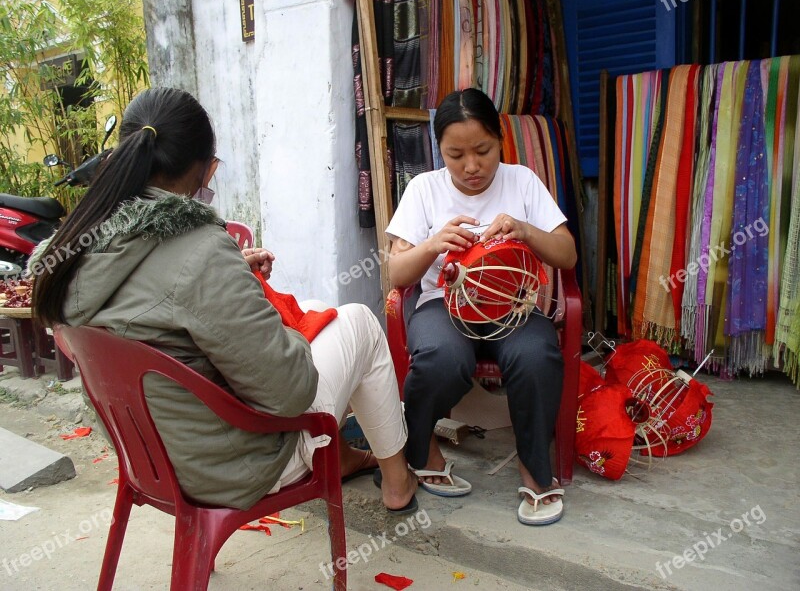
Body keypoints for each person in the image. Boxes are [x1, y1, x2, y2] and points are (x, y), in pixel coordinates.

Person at [30, 87, 417, 515]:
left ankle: (342, 456)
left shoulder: (74, 251)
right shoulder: (198, 249)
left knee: (311, 315)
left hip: (148, 459)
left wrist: (230, 275)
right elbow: (290, 392)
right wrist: (262, 310)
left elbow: (156, 300)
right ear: (207, 171)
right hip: (232, 467)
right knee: (358, 321)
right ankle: (397, 483)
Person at [385, 88, 577, 525]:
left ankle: (535, 467)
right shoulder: (423, 189)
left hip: (513, 307)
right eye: (455, 155)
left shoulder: (523, 180)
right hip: (443, 306)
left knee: (536, 356)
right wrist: (434, 244)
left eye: (482, 150)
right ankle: (421, 448)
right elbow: (398, 275)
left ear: (500, 141)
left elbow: (566, 255)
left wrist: (526, 231)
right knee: (440, 358)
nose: (471, 166)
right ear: (440, 151)